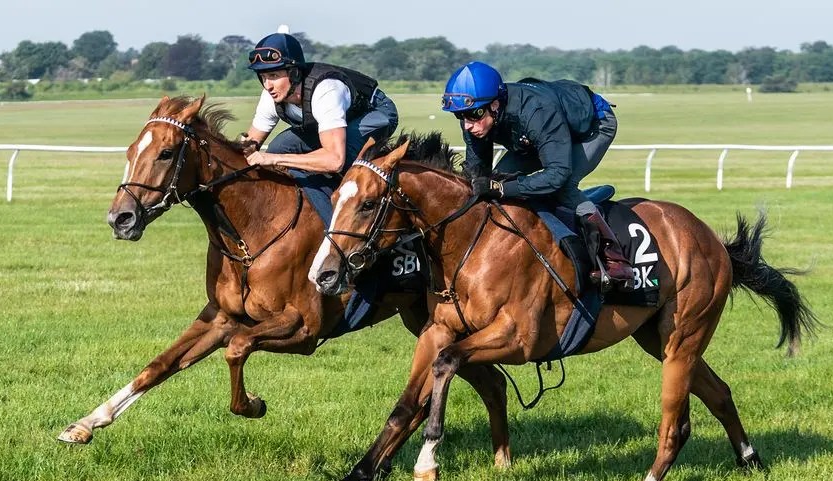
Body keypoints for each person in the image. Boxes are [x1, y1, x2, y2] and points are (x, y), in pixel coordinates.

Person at [440, 61, 634, 291]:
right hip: (535, 135)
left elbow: (557, 174)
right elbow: (478, 172)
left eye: (473, 115)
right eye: (460, 116)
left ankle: (615, 260)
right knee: (499, 179)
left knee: (563, 187)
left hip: (591, 126)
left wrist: (502, 189)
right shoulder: (480, 117)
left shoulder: (535, 111)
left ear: (495, 104)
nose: (468, 125)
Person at [242, 33, 399, 177]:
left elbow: (334, 161)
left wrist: (274, 159)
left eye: (273, 75)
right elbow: (249, 147)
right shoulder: (270, 95)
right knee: (277, 148)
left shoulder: (326, 90)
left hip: (376, 112)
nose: (268, 85)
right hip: (336, 120)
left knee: (335, 168)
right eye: (263, 77)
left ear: (295, 73)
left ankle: (330, 207)